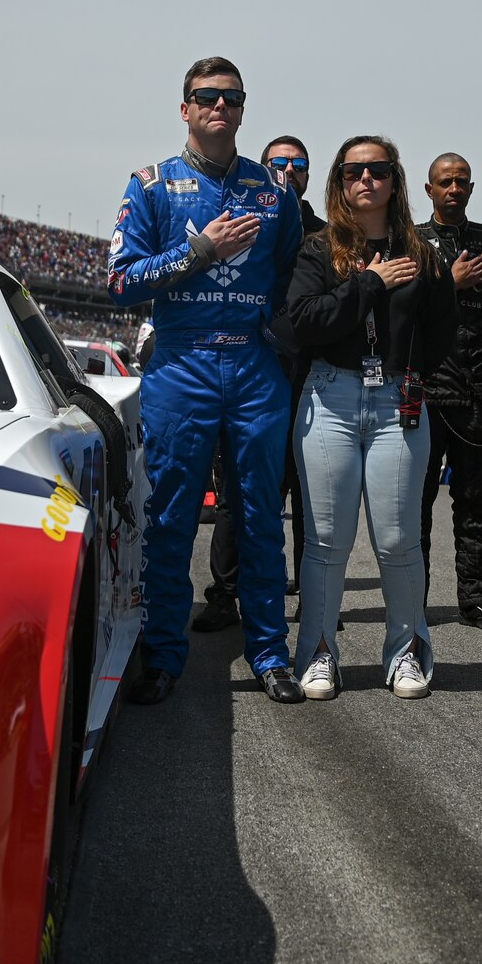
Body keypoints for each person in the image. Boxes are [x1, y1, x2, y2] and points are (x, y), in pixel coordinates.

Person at [106, 57, 304, 705]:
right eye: (206, 96)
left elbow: (287, 278)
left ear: (244, 109)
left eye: (232, 97)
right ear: (185, 108)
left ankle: (270, 653)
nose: (220, 106)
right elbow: (120, 282)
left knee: (260, 520)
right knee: (170, 519)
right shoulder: (151, 185)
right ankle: (164, 655)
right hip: (182, 364)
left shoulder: (274, 190)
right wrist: (200, 251)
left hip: (251, 364)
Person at [285, 136, 458, 699]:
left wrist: (409, 374)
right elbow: (304, 323)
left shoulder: (423, 253)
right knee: (327, 540)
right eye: (354, 170)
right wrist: (369, 283)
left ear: (394, 180)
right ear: (339, 180)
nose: (366, 180)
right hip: (330, 397)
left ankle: (406, 651)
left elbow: (441, 331)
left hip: (397, 405)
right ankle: (317, 652)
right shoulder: (318, 249)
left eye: (377, 170)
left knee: (399, 538)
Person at [191, 134, 323, 633]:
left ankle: (312, 598)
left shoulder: (328, 234)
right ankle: (224, 595)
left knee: (307, 499)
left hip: (306, 382)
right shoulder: (241, 218)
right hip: (247, 375)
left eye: (299, 163)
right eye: (278, 163)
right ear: (262, 170)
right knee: (234, 497)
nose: (289, 170)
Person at [417, 153, 482, 633]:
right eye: (445, 182)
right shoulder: (410, 242)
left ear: (471, 188)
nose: (453, 189)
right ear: (429, 189)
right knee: (414, 505)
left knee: (475, 502)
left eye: (461, 182)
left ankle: (476, 600)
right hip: (424, 391)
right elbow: (400, 311)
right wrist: (445, 282)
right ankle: (411, 599)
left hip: (479, 392)